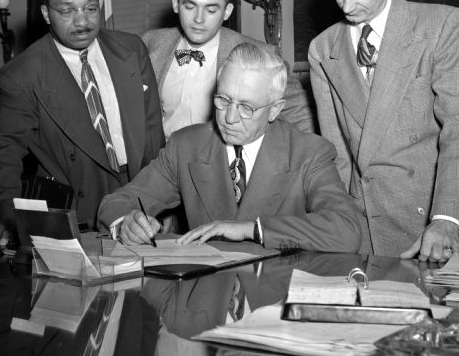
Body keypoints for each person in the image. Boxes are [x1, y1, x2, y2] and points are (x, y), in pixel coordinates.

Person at [309, 0, 459, 261]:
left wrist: (447, 220)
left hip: (437, 226)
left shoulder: (442, 27)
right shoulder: (322, 49)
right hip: (367, 234)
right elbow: (336, 153)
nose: (347, 5)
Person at [98, 42, 362, 252]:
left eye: (247, 107)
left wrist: (253, 229)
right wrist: (125, 224)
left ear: (275, 110)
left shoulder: (308, 153)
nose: (230, 118)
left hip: (273, 302)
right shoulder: (186, 146)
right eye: (223, 100)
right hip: (206, 303)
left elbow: (346, 230)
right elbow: (116, 202)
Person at [0, 0, 165, 247]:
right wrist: (5, 219)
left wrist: (159, 204)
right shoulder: (21, 75)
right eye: (67, 11)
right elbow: (3, 152)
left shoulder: (132, 49)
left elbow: (152, 134)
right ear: (45, 14)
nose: (82, 22)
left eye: (90, 8)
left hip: (140, 205)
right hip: (76, 219)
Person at [142, 0, 315, 141]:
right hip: (162, 162)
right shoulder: (150, 43)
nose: (199, 19)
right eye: (190, 6)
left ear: (227, 11)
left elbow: (301, 118)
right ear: (176, 4)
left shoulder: (262, 54)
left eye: (211, 10)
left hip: (223, 165)